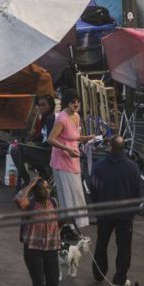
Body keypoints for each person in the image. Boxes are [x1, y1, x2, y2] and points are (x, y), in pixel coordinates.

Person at [90, 135, 141, 286]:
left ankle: (98, 274)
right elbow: (137, 192)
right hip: (125, 214)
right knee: (124, 246)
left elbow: (93, 189)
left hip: (104, 212)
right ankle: (119, 279)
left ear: (110, 147)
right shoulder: (132, 167)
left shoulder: (99, 166)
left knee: (101, 243)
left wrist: (97, 206)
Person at [15, 177, 60, 286]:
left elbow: (57, 222)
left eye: (47, 188)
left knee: (53, 281)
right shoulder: (30, 205)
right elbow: (18, 198)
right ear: (35, 191)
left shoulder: (53, 203)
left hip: (51, 248)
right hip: (33, 249)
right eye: (42, 188)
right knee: (39, 283)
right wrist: (31, 184)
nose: (46, 191)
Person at [48, 89, 94, 234]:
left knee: (77, 193)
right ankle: (68, 226)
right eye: (73, 101)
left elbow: (75, 136)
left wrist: (85, 138)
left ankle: (74, 225)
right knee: (67, 194)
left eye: (78, 101)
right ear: (66, 103)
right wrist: (67, 149)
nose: (76, 104)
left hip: (74, 158)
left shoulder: (77, 116)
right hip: (62, 160)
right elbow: (51, 139)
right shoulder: (61, 118)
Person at [10, 95, 56, 191]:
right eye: (39, 105)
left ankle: (26, 179)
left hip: (47, 152)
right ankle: (42, 174)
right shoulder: (45, 117)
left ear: (50, 106)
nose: (40, 107)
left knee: (15, 151)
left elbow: (49, 141)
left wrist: (34, 145)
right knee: (18, 147)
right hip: (42, 149)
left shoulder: (51, 118)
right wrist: (30, 141)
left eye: (43, 105)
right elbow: (42, 136)